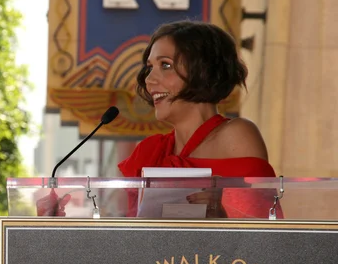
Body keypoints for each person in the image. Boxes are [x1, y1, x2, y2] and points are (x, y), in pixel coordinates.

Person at [118, 20, 281, 219]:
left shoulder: (236, 135)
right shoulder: (148, 151)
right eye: (150, 67)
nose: (149, 79)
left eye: (166, 65)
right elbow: (129, 237)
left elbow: (261, 236)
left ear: (203, 71)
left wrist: (219, 216)